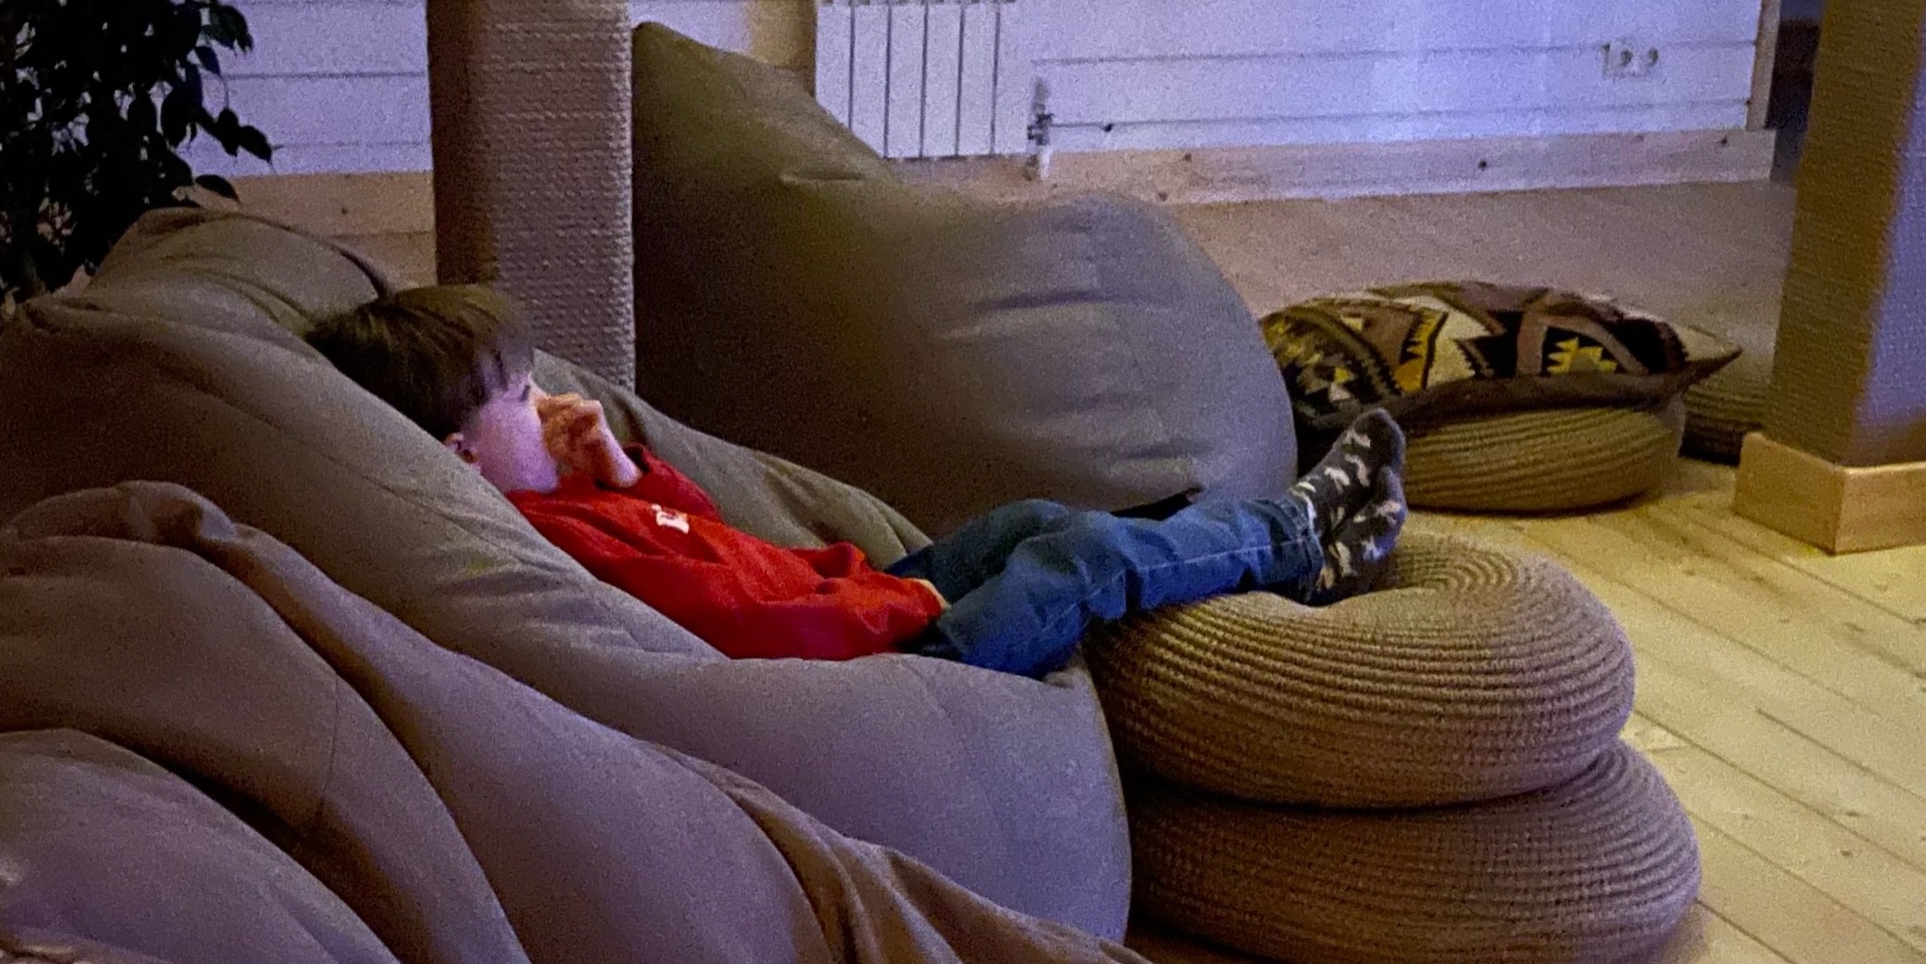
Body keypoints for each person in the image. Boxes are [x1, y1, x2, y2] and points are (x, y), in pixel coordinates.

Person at [305, 284, 1409, 678]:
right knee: (1075, 558)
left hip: (863, 598)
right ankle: (1293, 536)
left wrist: (622, 467)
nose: (547, 398)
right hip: (887, 662)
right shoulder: (547, 544)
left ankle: (1234, 547)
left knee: (1027, 520)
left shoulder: (565, 496)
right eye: (517, 396)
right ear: (458, 454)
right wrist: (905, 602)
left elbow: (706, 536)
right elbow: (738, 619)